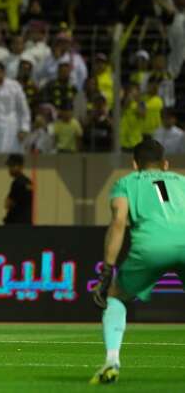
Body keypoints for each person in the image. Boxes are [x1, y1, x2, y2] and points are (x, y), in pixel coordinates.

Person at [90, 139, 185, 384]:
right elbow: (164, 198)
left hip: (151, 247)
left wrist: (108, 268)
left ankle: (111, 361)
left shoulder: (126, 183)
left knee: (116, 296)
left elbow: (119, 222)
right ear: (165, 164)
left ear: (135, 165)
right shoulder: (181, 182)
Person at [4, 154, 33, 225]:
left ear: (20, 166)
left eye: (12, 165)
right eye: (9, 166)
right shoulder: (29, 182)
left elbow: (7, 204)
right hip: (27, 222)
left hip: (15, 223)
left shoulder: (17, 183)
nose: (9, 169)